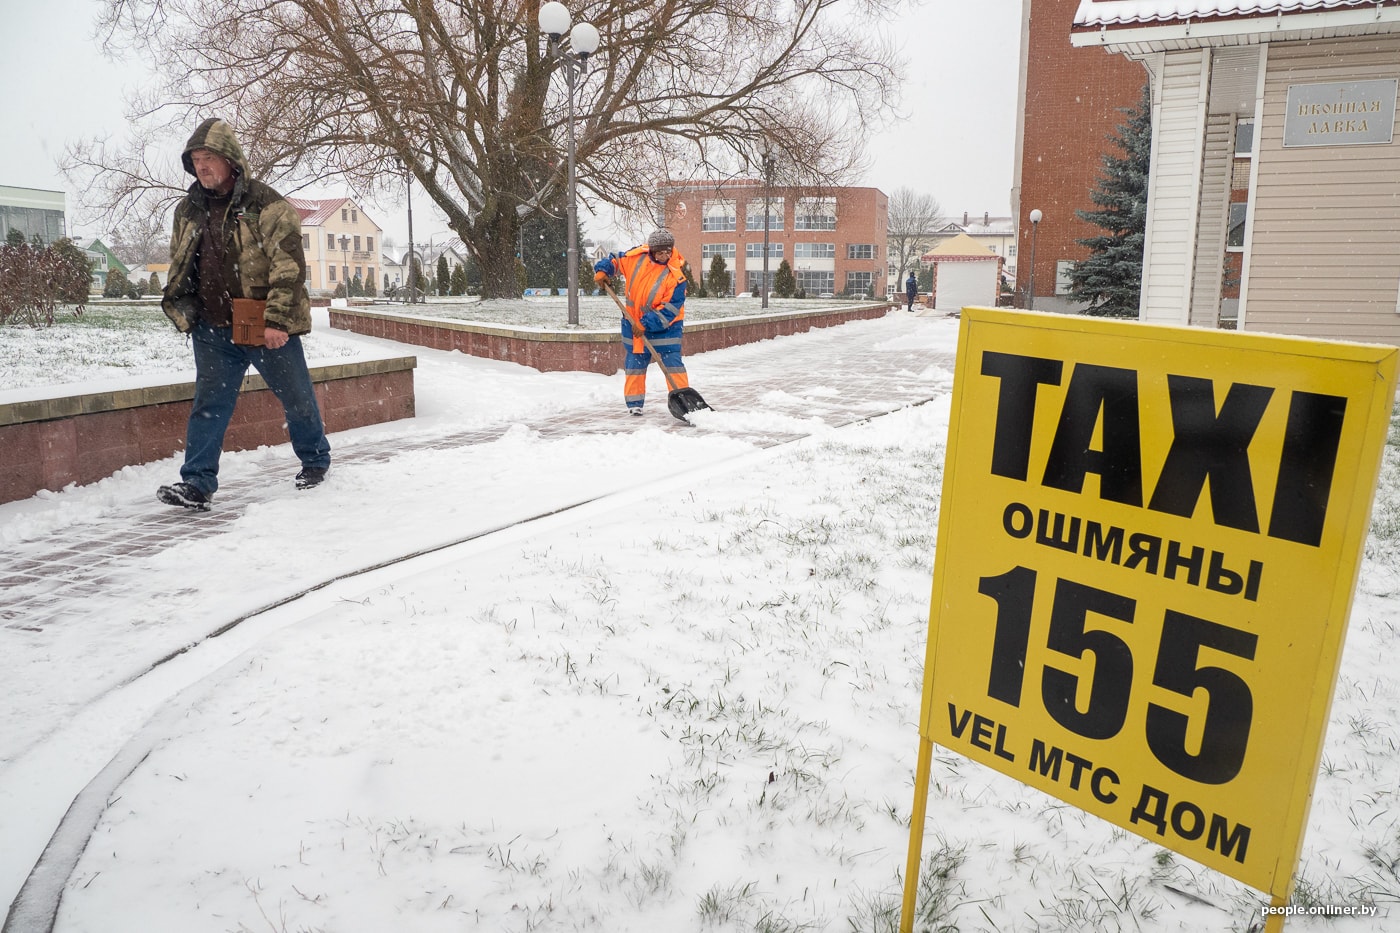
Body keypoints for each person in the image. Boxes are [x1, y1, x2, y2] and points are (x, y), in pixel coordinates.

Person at [156, 117, 331, 511]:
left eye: (209, 158)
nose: (202, 167)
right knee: (209, 405)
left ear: (230, 160)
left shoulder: (265, 204)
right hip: (212, 329)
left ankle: (315, 461)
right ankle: (197, 484)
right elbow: (180, 262)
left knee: (297, 398)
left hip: (262, 322)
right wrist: (184, 307)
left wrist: (277, 321)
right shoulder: (188, 209)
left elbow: (288, 266)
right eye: (196, 159)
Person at [593, 229, 690, 416]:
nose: (664, 256)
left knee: (673, 365)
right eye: (660, 252)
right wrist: (603, 270)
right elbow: (616, 260)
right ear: (651, 251)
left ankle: (684, 401)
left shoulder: (676, 276)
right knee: (635, 365)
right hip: (633, 325)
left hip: (666, 330)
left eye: (667, 252)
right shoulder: (636, 258)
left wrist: (646, 323)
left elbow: (670, 308)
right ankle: (634, 405)